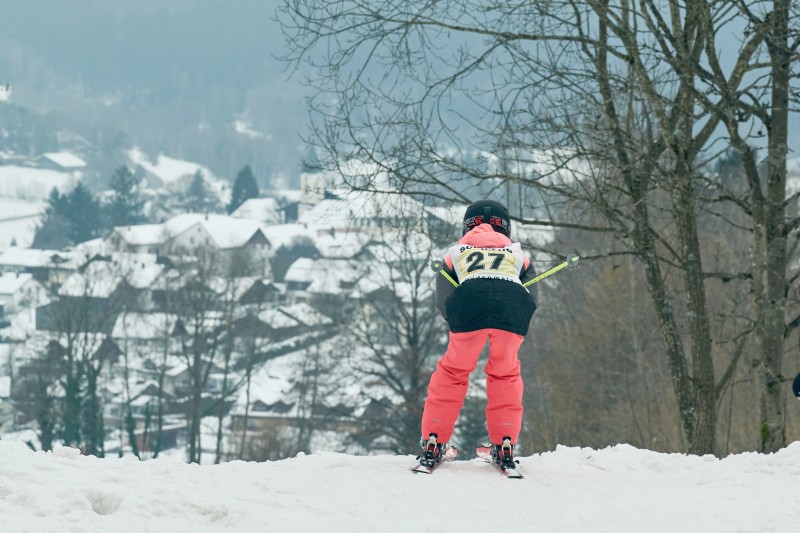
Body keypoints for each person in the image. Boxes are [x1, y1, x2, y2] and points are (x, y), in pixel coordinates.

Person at [419, 199, 538, 471]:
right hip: (512, 307)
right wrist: (519, 317)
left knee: (453, 372)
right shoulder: (517, 254)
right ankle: (504, 442)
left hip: (468, 305)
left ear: (467, 226)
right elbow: (534, 293)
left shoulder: (457, 252)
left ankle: (434, 441)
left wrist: (457, 319)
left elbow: (442, 295)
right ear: (505, 228)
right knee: (505, 373)